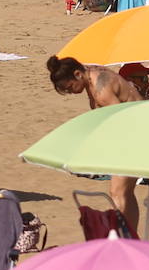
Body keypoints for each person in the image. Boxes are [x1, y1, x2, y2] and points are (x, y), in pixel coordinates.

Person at [46, 55, 143, 234]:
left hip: (135, 135)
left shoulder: (101, 90)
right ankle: (131, 234)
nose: (71, 92)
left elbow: (120, 119)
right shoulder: (91, 74)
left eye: (70, 87)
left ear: (77, 74)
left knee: (118, 192)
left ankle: (127, 235)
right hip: (132, 133)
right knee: (125, 192)